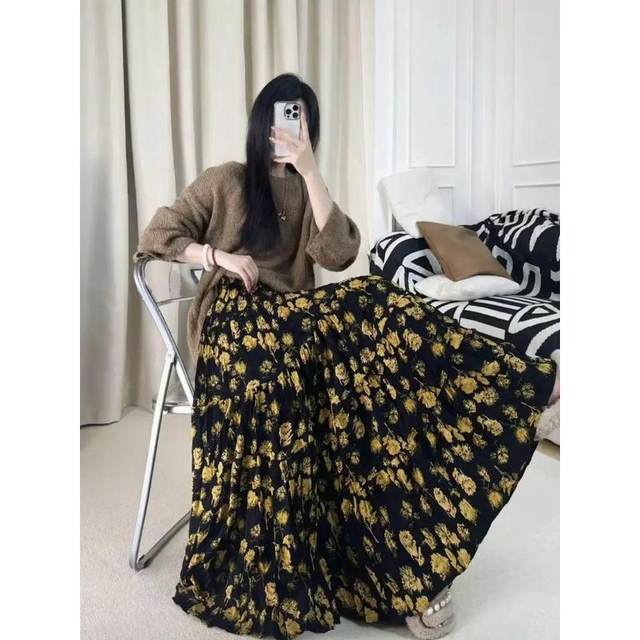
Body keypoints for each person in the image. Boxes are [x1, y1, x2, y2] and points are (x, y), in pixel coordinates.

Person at [133, 73, 560, 640]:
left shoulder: (307, 188)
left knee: (376, 325)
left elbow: (339, 254)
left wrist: (311, 173)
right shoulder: (226, 180)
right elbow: (157, 234)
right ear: (262, 122)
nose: (291, 127)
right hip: (235, 327)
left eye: (302, 118)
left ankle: (512, 393)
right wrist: (217, 256)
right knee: (339, 334)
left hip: (295, 325)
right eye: (284, 115)